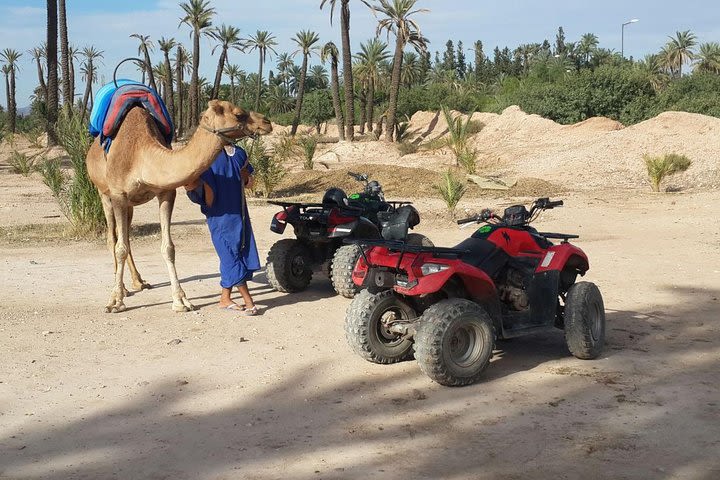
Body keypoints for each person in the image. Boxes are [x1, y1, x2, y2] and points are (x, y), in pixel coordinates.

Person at [185, 143, 260, 315]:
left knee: (238, 253)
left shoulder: (240, 153)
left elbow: (250, 184)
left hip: (239, 213)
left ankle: (225, 299)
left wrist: (247, 177)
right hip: (219, 216)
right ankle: (249, 302)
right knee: (229, 257)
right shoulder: (205, 154)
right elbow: (189, 185)